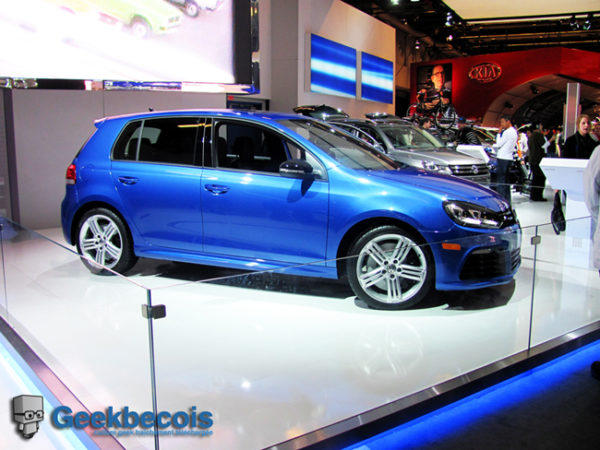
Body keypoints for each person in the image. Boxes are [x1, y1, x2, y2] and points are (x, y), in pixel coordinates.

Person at [493, 115, 518, 204]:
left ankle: (501, 201)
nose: (501, 124)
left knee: (501, 181)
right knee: (506, 182)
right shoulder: (514, 131)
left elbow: (499, 144)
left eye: (502, 122)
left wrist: (499, 134)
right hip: (508, 158)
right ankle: (507, 201)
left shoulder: (507, 132)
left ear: (508, 122)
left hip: (503, 158)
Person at [528, 123, 548, 201]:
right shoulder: (538, 135)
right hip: (538, 160)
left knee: (535, 179)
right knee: (540, 179)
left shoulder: (531, 136)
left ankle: (533, 195)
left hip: (532, 160)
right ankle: (538, 196)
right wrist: (551, 140)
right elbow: (544, 145)